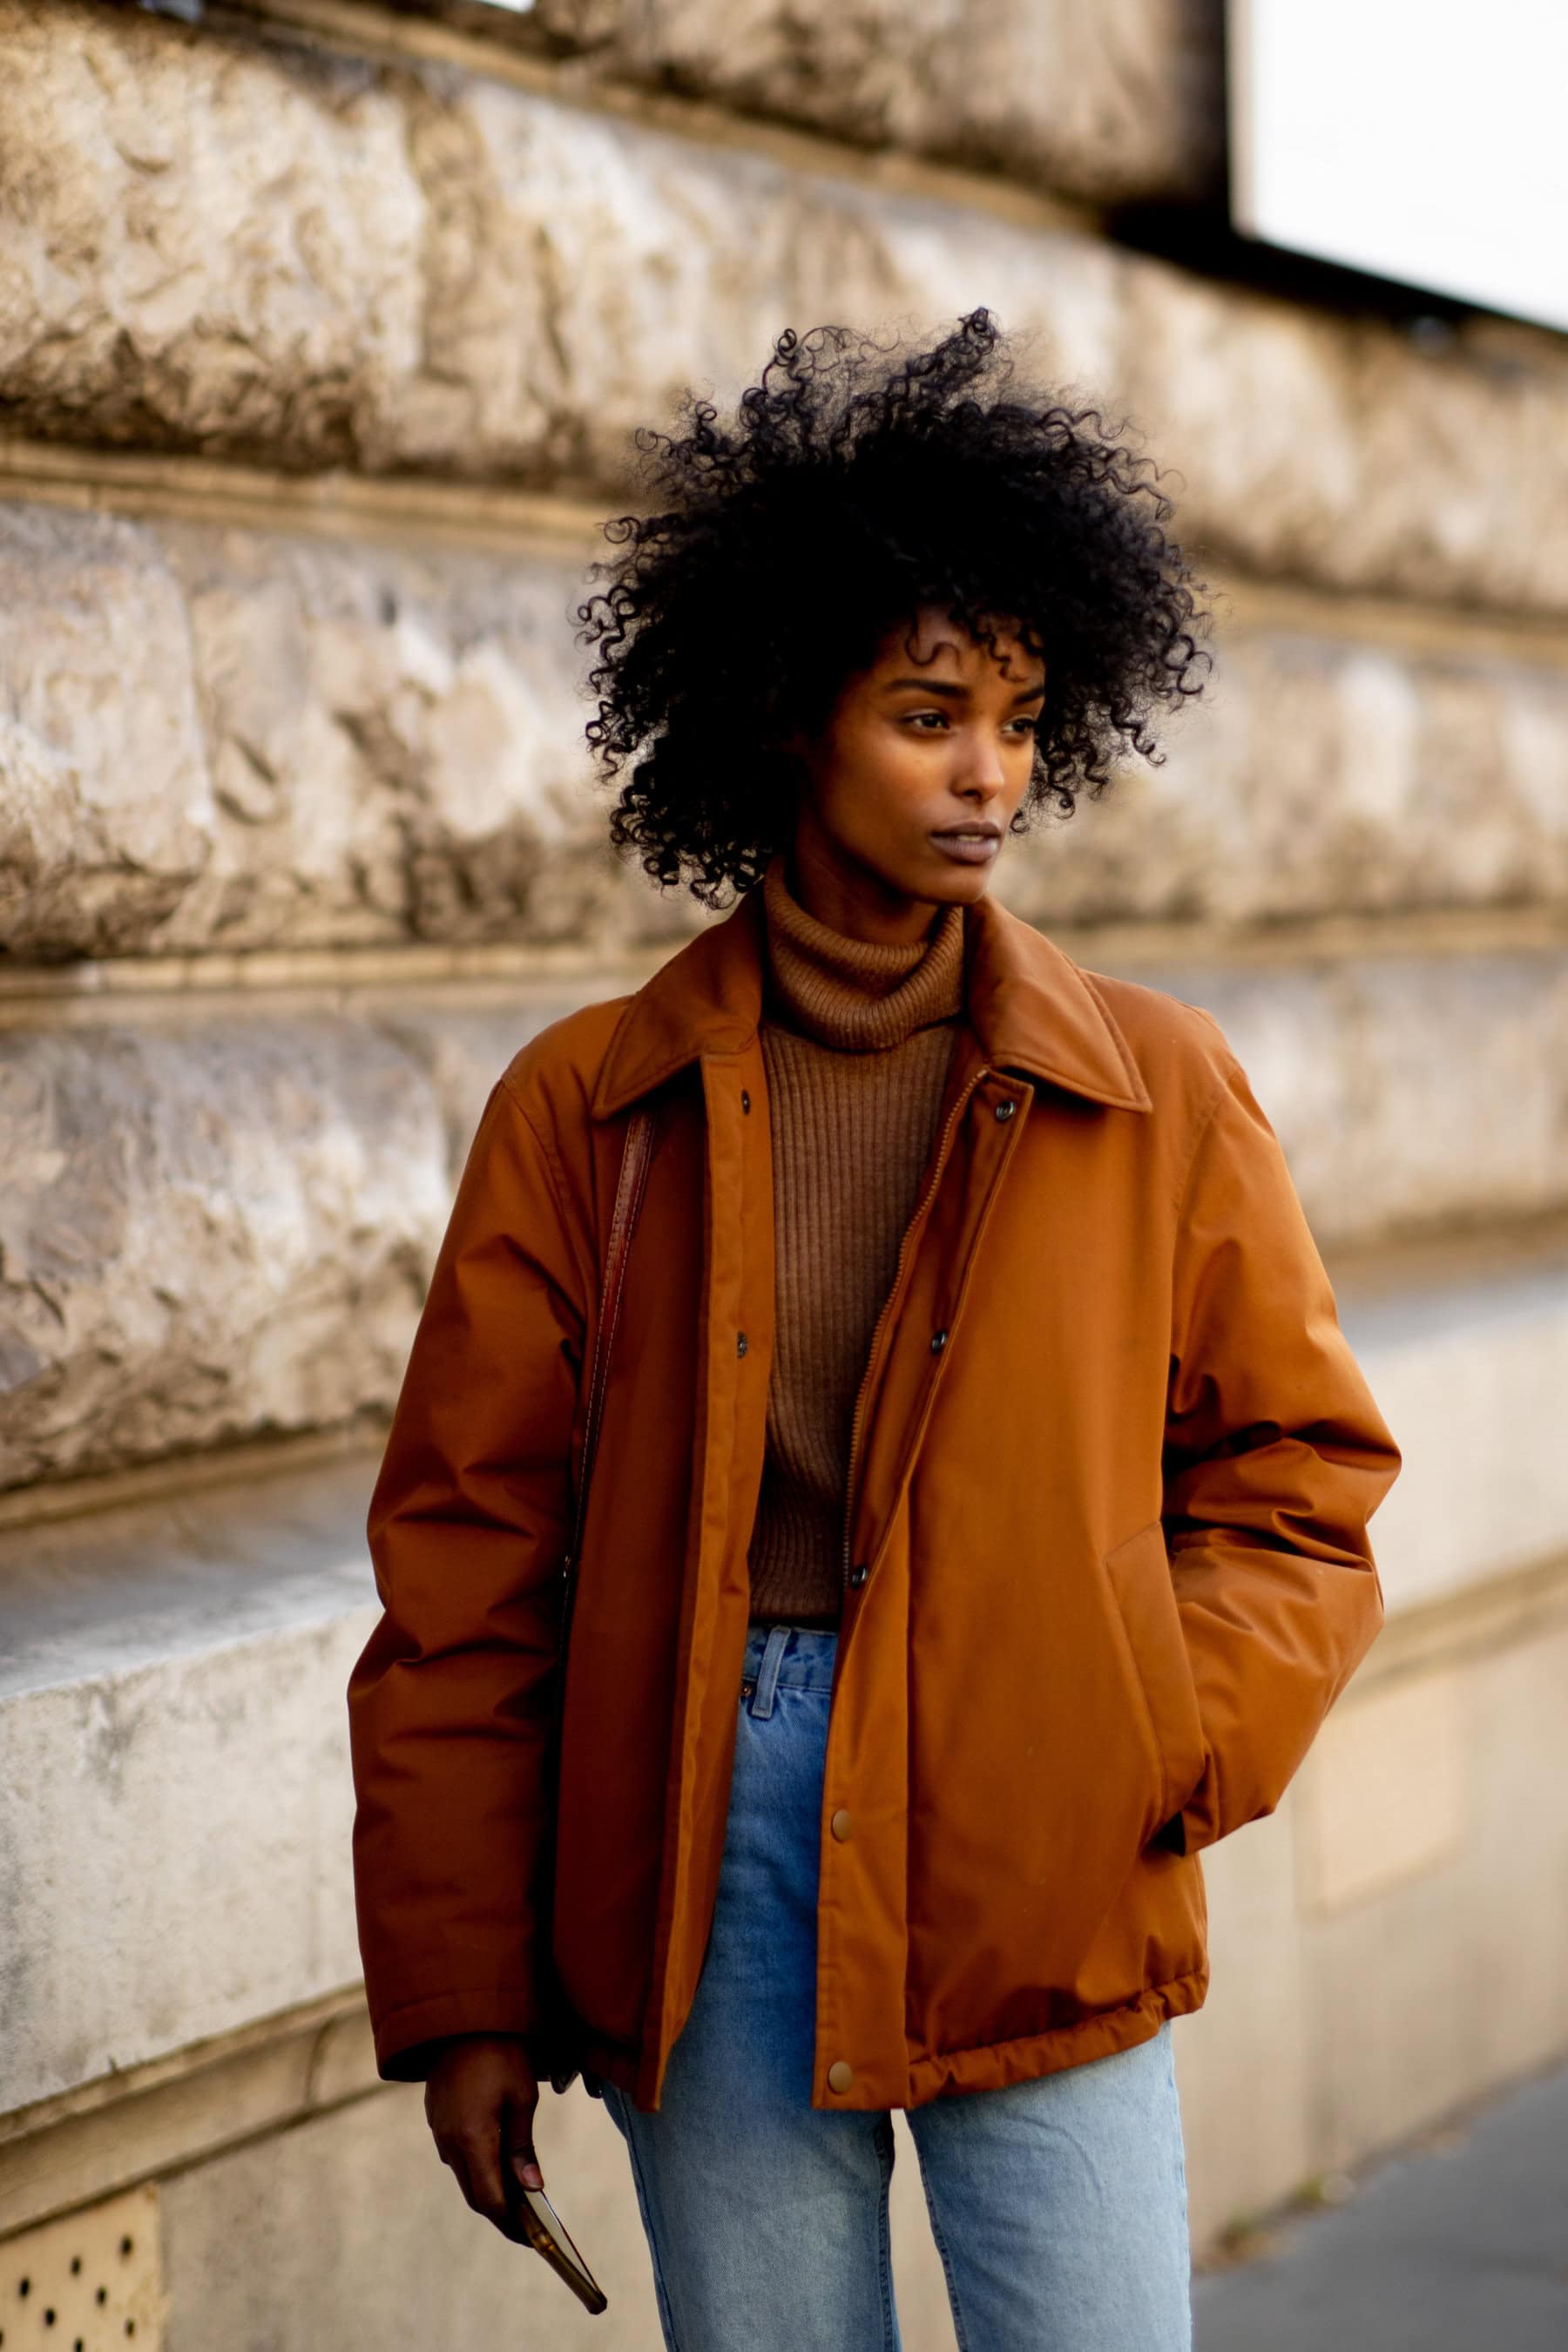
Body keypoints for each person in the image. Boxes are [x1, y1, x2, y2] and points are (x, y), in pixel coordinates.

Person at [347, 310, 1401, 2351]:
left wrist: (1146, 1732)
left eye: (1020, 716)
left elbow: (1301, 1479)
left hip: (1041, 1830)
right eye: (930, 714)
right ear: (783, 715)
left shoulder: (1157, 1089)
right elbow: (465, 1568)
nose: (991, 770)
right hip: (699, 1840)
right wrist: (464, 1992)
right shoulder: (588, 1109)